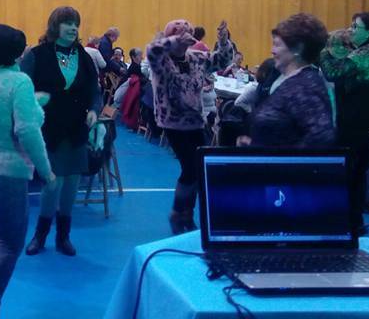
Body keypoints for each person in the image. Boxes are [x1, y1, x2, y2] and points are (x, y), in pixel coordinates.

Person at [0, 24, 54, 319]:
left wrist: (35, 103)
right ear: (17, 52)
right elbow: (27, 131)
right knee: (9, 245)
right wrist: (46, 170)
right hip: (7, 172)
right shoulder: (19, 82)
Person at [20, 6, 100, 257]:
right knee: (52, 183)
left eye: (76, 23)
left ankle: (63, 236)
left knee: (72, 183)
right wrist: (34, 101)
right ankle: (40, 234)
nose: (73, 28)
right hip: (49, 129)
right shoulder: (36, 54)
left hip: (77, 129)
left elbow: (95, 93)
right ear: (55, 26)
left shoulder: (85, 57)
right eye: (67, 23)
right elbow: (22, 88)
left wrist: (95, 111)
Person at [148, 19, 234, 234]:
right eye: (181, 32)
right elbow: (152, 50)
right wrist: (174, 40)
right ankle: (178, 213)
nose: (187, 35)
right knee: (190, 168)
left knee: (199, 169)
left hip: (196, 122)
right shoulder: (161, 60)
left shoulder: (197, 58)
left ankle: (187, 213)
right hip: (173, 123)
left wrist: (223, 39)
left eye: (188, 31)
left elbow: (222, 60)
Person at [321, 12, 369, 229]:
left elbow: (332, 72)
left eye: (356, 27)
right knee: (357, 175)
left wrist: (322, 50)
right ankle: (353, 221)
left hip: (360, 126)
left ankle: (347, 223)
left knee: (350, 174)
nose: (350, 29)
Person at [246, 14, 336, 148]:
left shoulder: (304, 86)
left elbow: (322, 135)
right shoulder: (290, 79)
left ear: (298, 48)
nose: (272, 51)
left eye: (277, 45)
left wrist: (281, 159)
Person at [116, 48, 145, 130]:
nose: (142, 57)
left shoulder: (134, 67)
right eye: (140, 56)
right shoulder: (136, 68)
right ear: (134, 57)